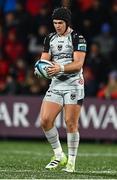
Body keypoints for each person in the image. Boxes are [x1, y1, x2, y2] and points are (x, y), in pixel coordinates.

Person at [36, 7, 87, 172]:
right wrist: (41, 69)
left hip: (73, 84)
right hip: (56, 84)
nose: (57, 26)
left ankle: (71, 162)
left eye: (60, 23)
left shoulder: (77, 38)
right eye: (55, 23)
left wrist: (60, 68)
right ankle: (59, 155)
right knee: (45, 120)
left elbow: (78, 64)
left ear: (67, 23)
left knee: (70, 123)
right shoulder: (50, 38)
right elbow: (44, 60)